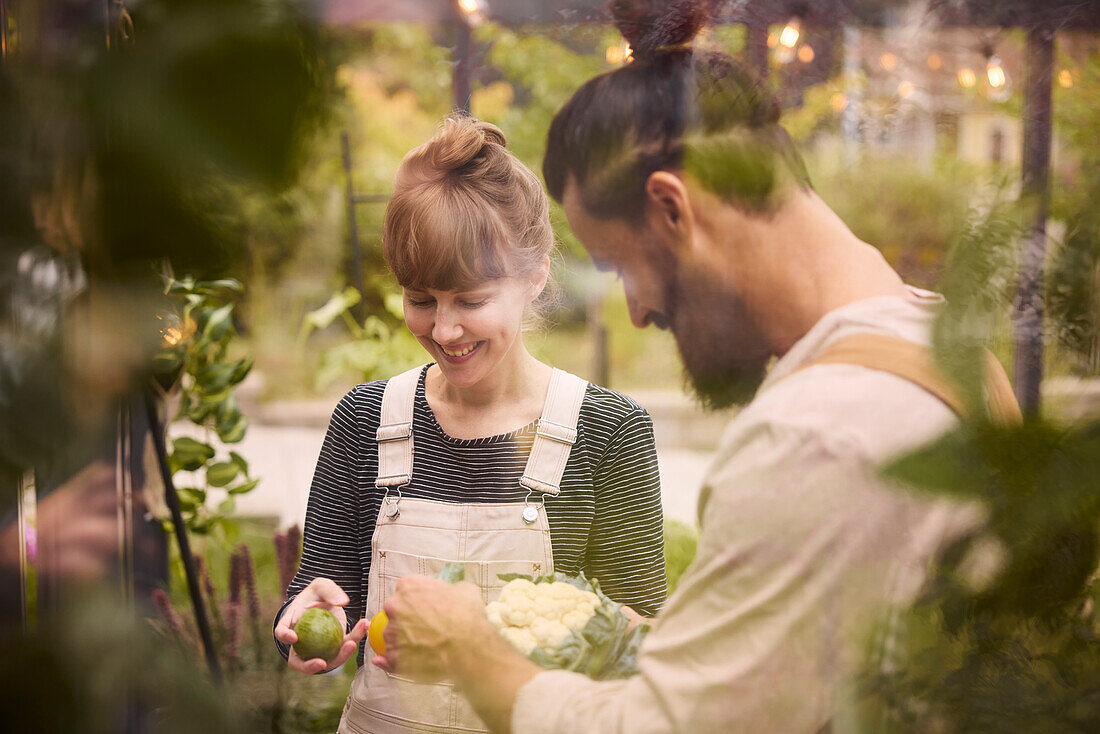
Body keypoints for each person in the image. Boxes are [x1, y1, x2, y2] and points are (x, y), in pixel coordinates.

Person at [372, 3, 1021, 733]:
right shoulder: (942, 344)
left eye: (623, 265)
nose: (640, 310)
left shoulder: (818, 435)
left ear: (672, 209)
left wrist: (471, 651)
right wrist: (641, 639)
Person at [271, 116, 668, 734]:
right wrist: (302, 627)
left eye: (472, 300)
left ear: (535, 274)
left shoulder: (609, 432)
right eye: (421, 299)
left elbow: (644, 645)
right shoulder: (364, 420)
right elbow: (320, 598)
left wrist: (493, 641)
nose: (445, 330)